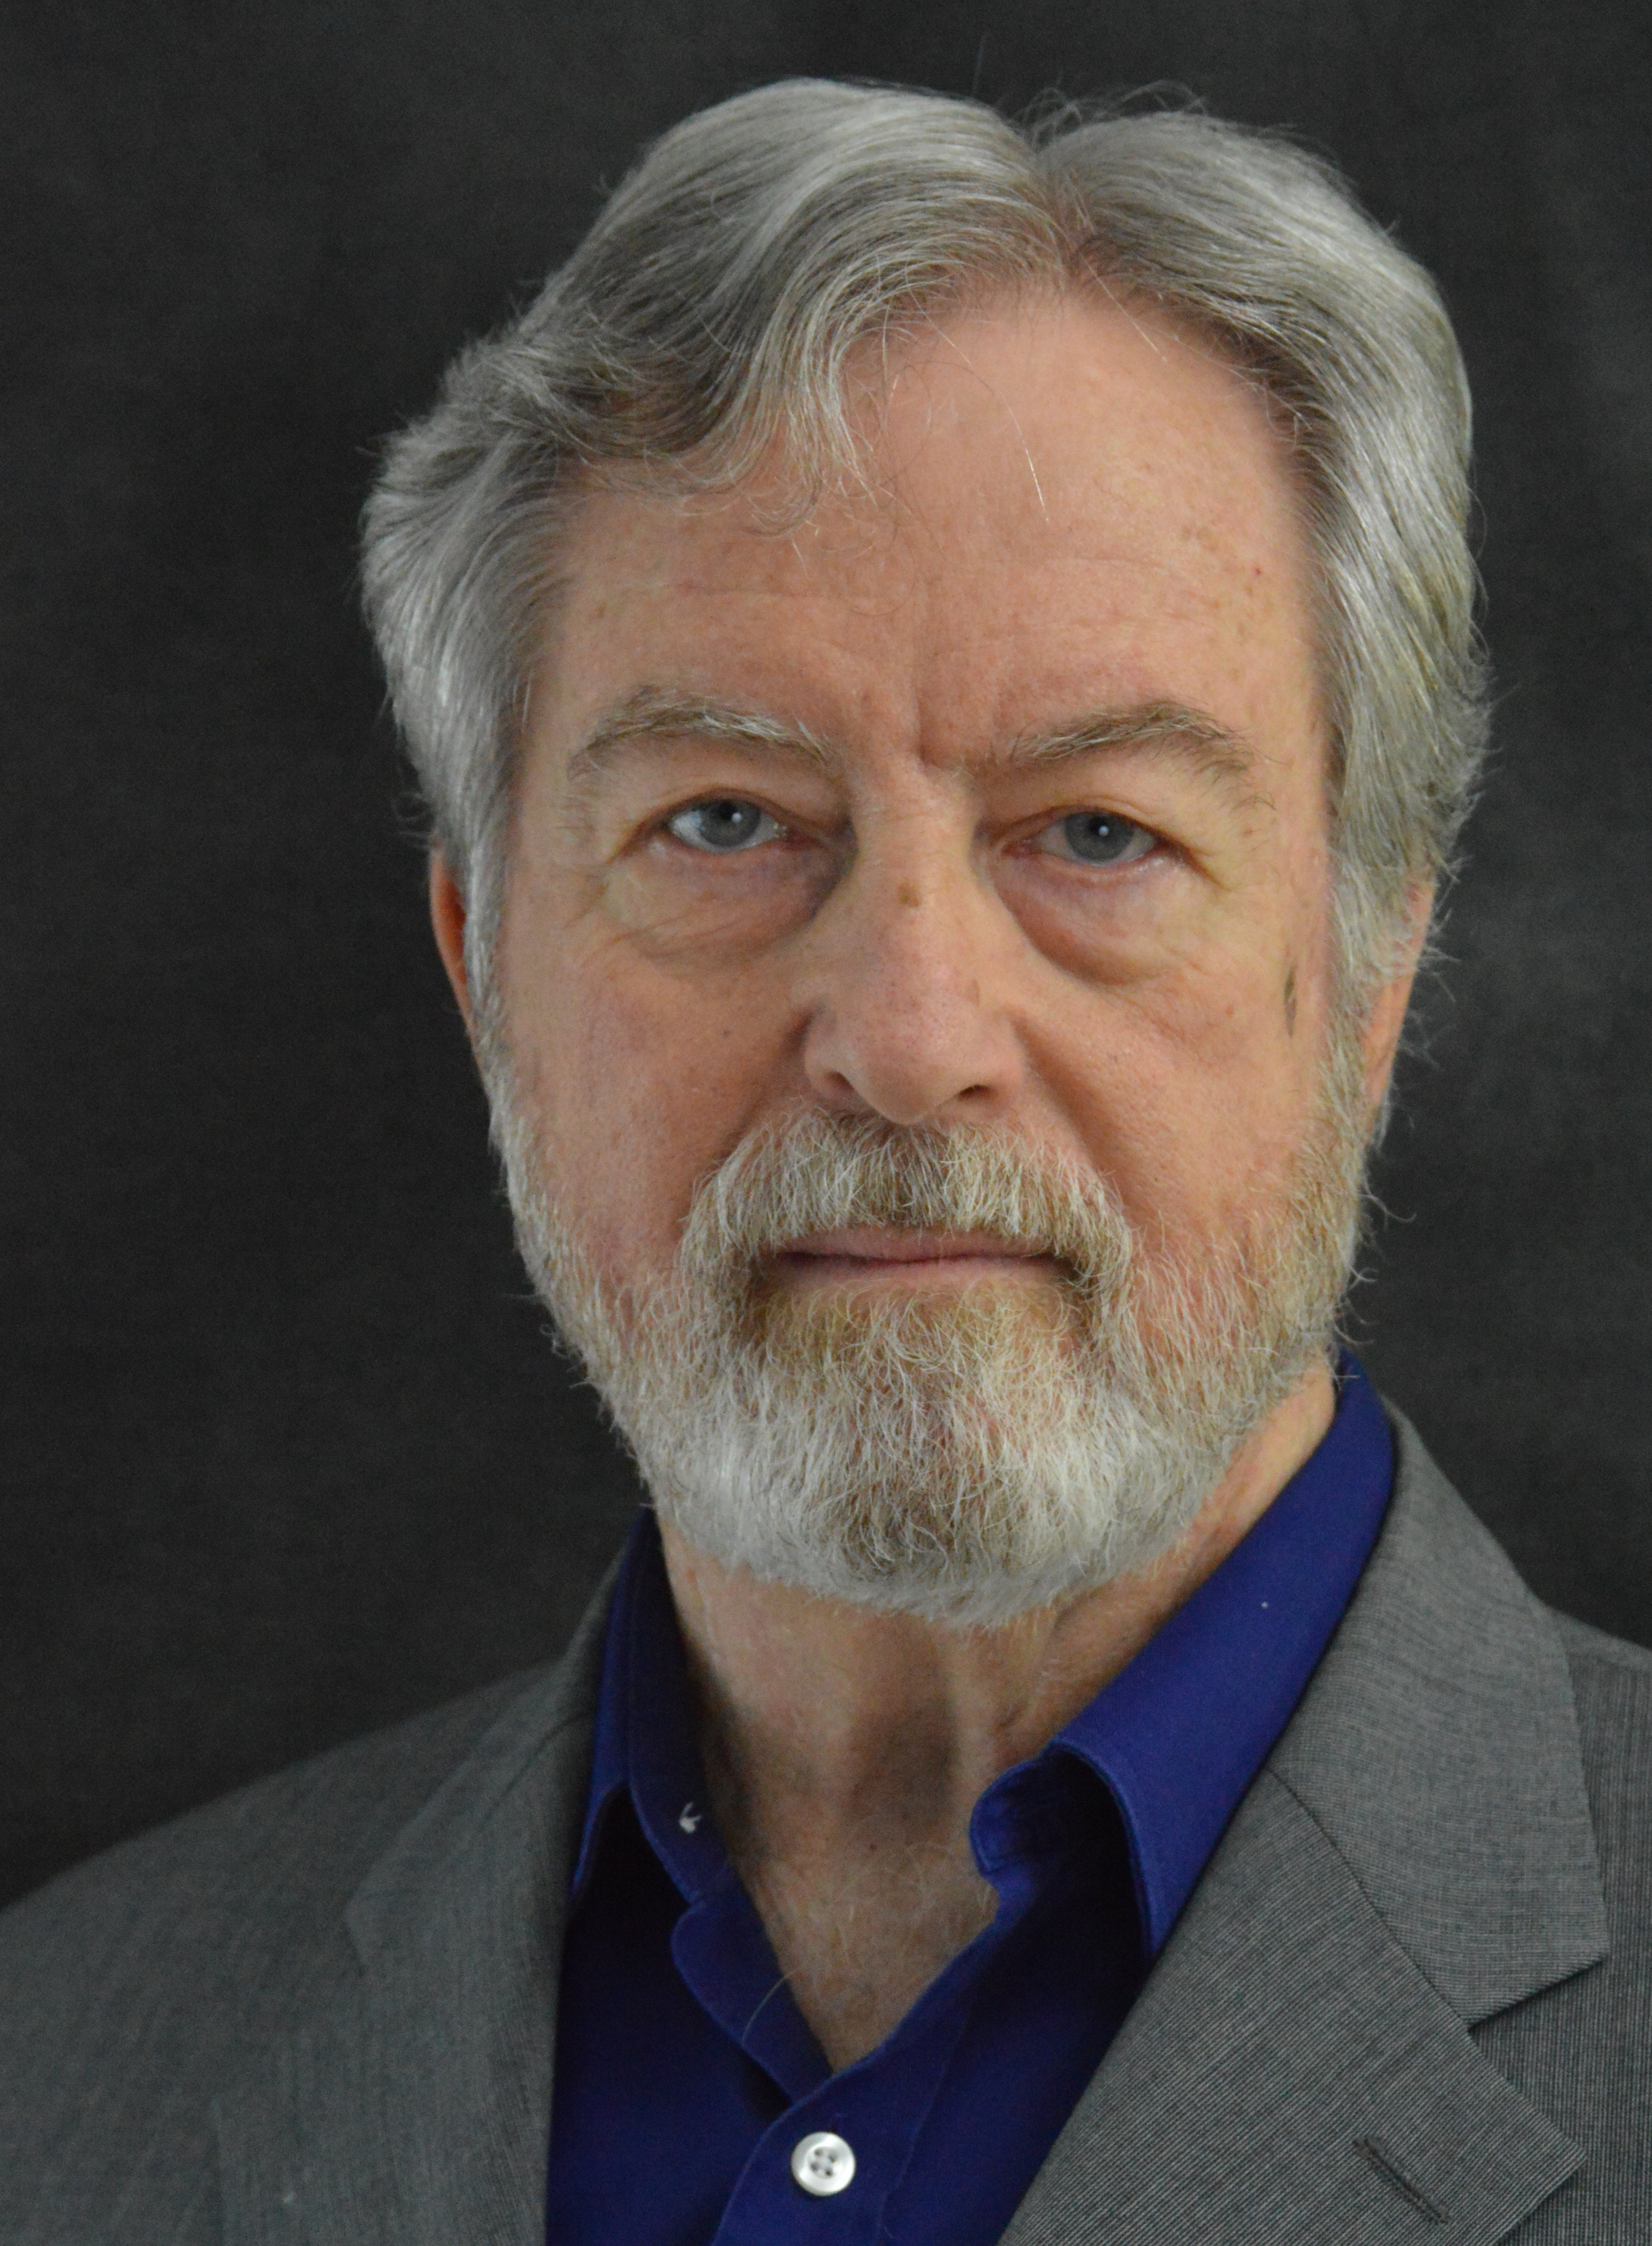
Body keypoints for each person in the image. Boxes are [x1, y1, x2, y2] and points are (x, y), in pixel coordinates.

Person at [5, 76, 1650, 2244]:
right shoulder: (63, 2067)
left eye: (1096, 833)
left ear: (1367, 973)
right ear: (486, 968)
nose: (908, 1038)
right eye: (723, 823)